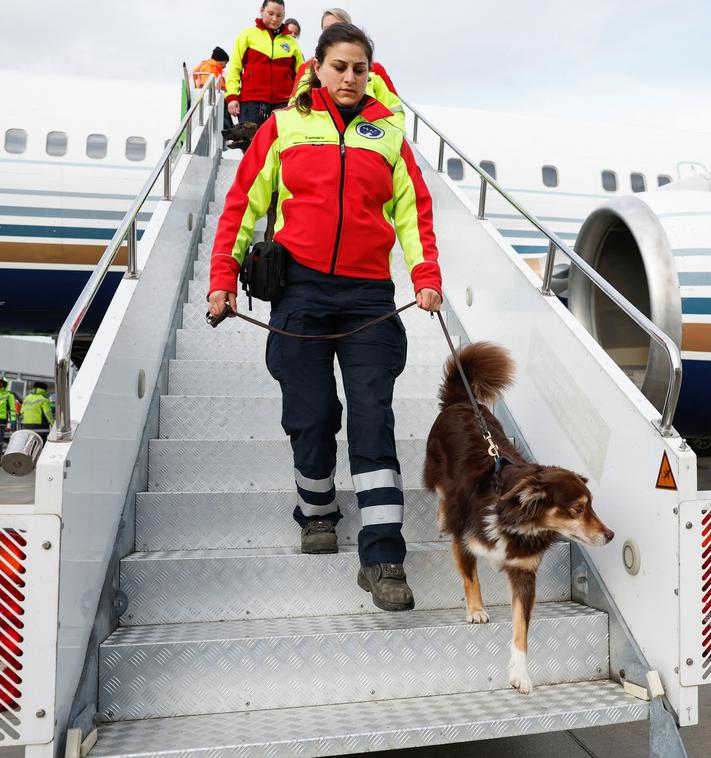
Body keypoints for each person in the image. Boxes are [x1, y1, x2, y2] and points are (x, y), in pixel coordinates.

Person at [208, 23, 442, 612]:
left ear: (371, 74)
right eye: (339, 66)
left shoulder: (387, 137)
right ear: (316, 67)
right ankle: (317, 511)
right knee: (310, 418)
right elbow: (243, 205)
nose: (349, 77)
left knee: (373, 421)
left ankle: (383, 555)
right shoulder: (282, 128)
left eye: (359, 68)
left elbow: (414, 214)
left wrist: (426, 277)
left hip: (367, 297)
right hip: (301, 293)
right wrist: (220, 281)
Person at [225, 0, 306, 128]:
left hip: (283, 103)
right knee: (251, 145)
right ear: (261, 10)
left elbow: (302, 75)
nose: (274, 19)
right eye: (270, 13)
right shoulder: (247, 35)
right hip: (251, 102)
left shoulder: (291, 42)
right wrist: (232, 97)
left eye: (279, 15)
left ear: (284, 16)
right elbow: (235, 69)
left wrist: (299, 98)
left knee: (280, 145)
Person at [290, 8, 399, 102]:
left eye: (359, 70)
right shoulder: (306, 67)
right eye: (327, 29)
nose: (350, 78)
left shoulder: (376, 69)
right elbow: (294, 104)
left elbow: (394, 108)